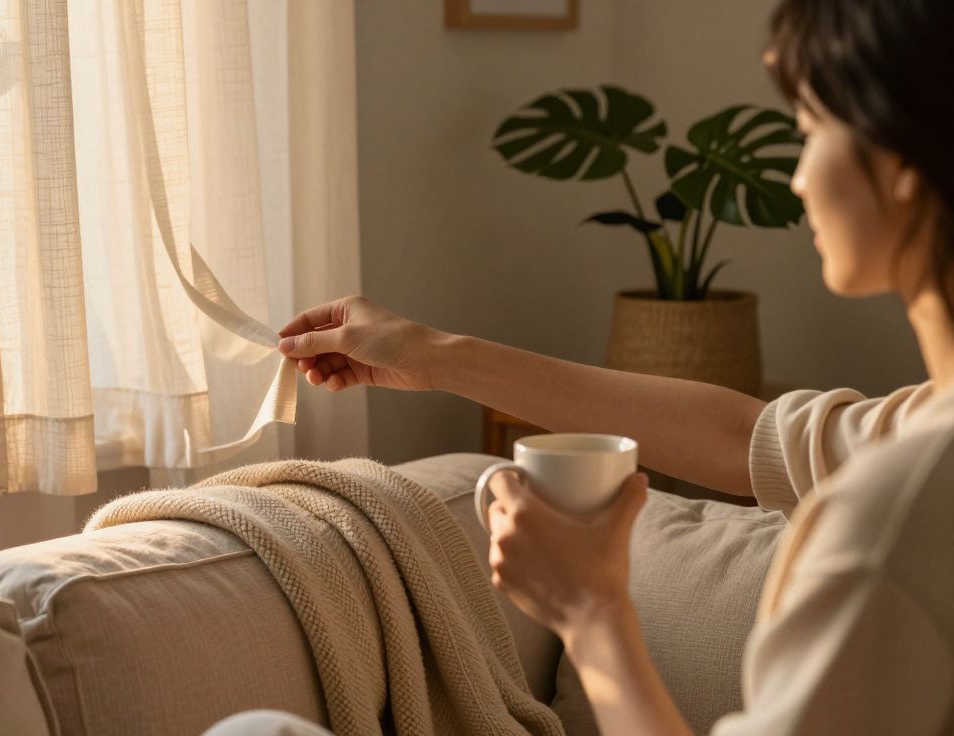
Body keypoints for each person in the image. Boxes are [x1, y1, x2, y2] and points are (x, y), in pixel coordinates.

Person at [216, 0, 953, 732]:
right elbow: (744, 438)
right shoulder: (927, 433)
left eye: (811, 130)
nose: (797, 178)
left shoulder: (893, 513)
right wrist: (433, 354)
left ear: (899, 161)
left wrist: (589, 610)